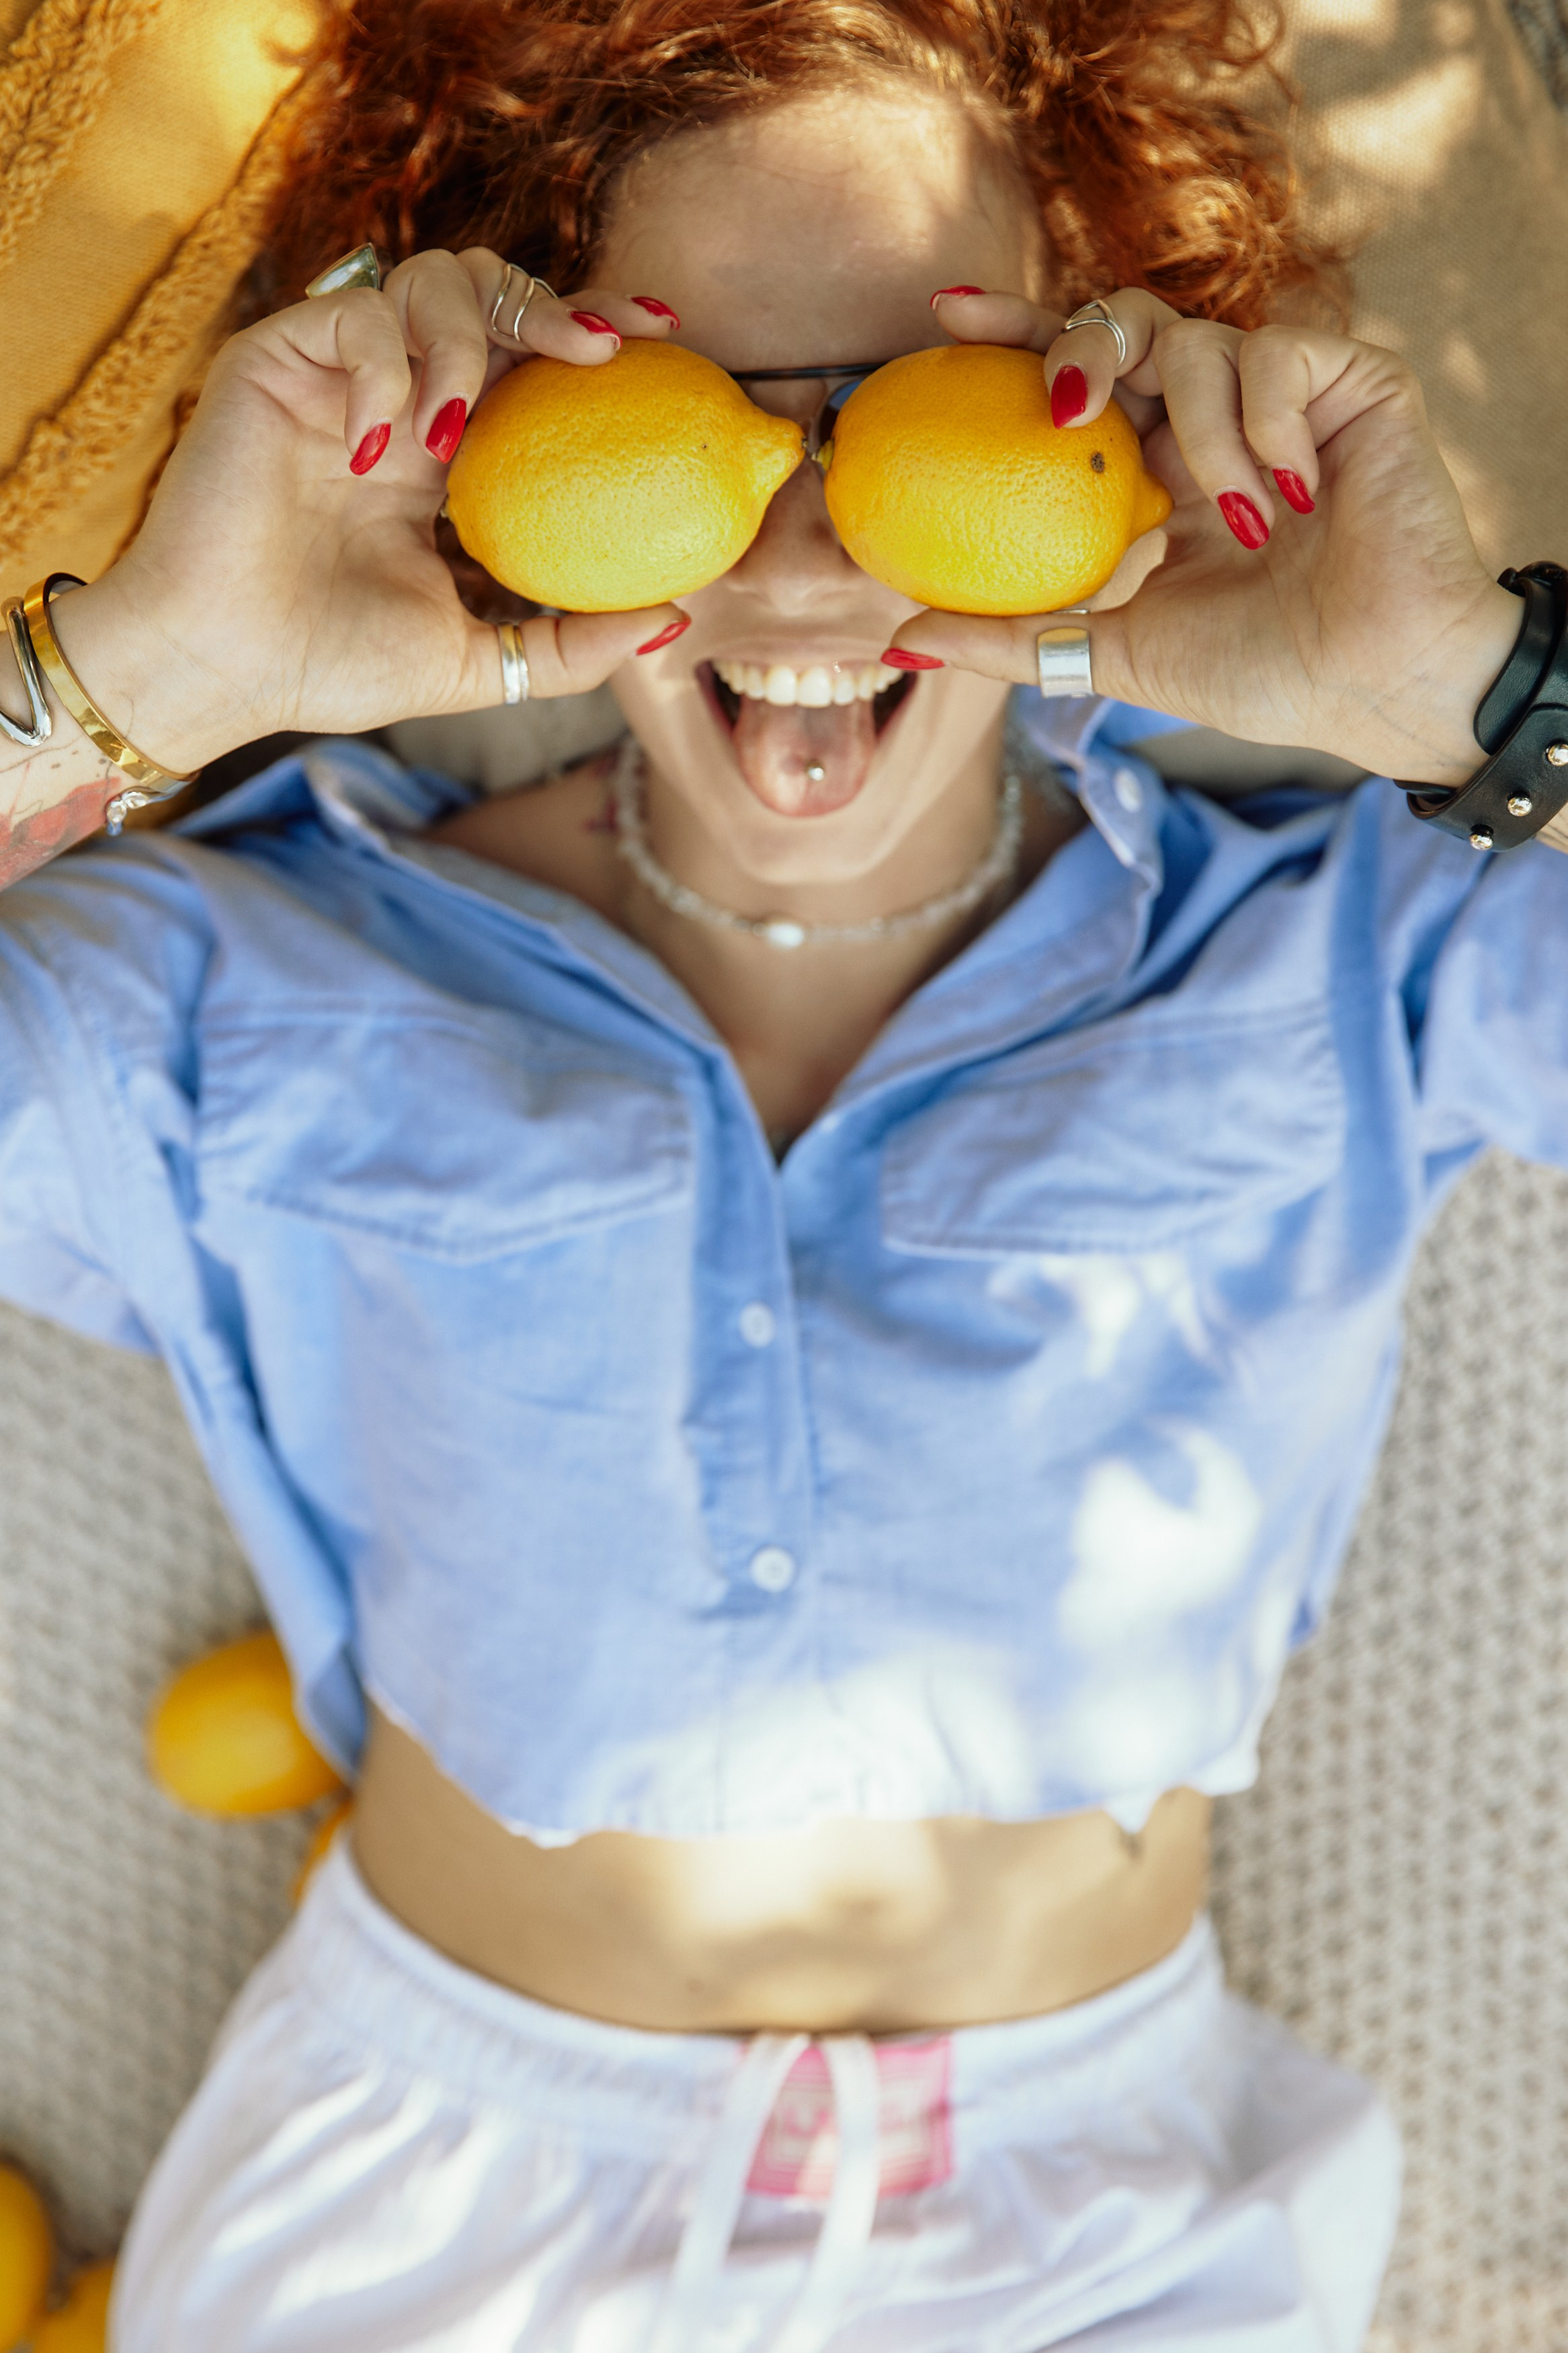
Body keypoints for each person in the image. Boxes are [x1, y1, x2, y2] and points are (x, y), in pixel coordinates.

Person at [0, 1, 1560, 2345]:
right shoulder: (223, 973)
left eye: (926, 421)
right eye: (701, 428)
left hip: (1112, 2231)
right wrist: (133, 677)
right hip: (423, 2217)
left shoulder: (1352, 943)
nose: (816, 560)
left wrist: (1489, 709)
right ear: (512, 450)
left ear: (1112, 437)